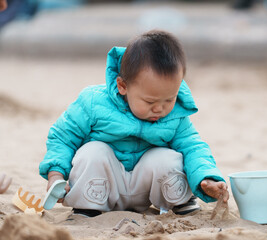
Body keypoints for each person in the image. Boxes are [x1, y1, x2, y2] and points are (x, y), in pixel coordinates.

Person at [39, 29, 229, 217]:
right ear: (123, 86)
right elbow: (63, 137)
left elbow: (193, 147)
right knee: (92, 151)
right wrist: (56, 174)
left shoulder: (175, 115)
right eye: (150, 102)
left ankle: (180, 201)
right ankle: (88, 206)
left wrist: (207, 178)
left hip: (146, 189)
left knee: (168, 157)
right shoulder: (93, 102)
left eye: (169, 99)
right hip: (103, 185)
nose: (160, 109)